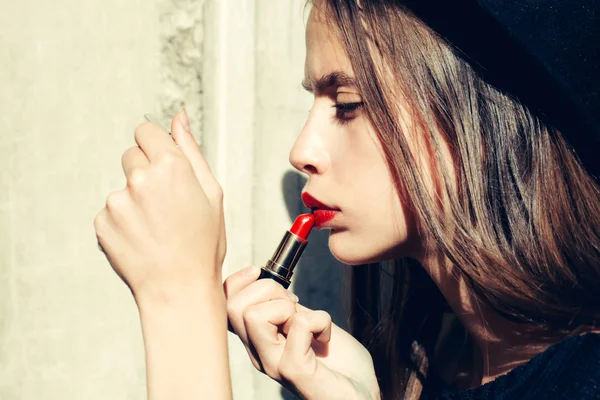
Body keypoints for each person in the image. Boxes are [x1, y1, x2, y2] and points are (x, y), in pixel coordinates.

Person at [94, 0, 600, 399]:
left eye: (346, 105)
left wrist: (177, 300)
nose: (301, 152)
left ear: (481, 117)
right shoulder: (441, 361)